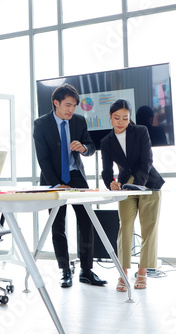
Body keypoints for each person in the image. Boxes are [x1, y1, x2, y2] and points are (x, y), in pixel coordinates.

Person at [33, 83, 107, 288]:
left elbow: (91, 146)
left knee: (86, 222)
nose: (71, 110)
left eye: (74, 105)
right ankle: (65, 270)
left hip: (76, 176)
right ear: (55, 103)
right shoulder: (41, 124)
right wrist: (56, 184)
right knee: (58, 226)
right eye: (67, 105)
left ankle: (86, 270)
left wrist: (84, 148)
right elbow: (43, 158)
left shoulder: (79, 121)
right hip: (52, 178)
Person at [100, 99, 164, 292]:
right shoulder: (106, 142)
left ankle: (142, 272)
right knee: (125, 227)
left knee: (148, 228)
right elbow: (106, 171)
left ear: (130, 118)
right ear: (110, 117)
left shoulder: (141, 131)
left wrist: (137, 184)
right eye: (117, 117)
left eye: (125, 118)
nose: (121, 122)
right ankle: (123, 273)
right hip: (124, 187)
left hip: (148, 184)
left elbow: (147, 161)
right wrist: (110, 183)